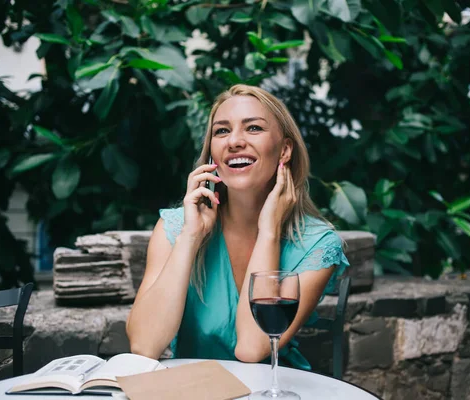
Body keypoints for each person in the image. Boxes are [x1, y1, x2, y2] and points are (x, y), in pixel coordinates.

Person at [126, 84, 349, 368]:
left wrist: (268, 232)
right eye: (221, 131)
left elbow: (252, 349)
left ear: (284, 151)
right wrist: (191, 237)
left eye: (253, 128)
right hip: (193, 392)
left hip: (273, 390)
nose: (234, 141)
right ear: (212, 157)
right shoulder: (176, 228)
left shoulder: (317, 244)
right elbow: (144, 346)